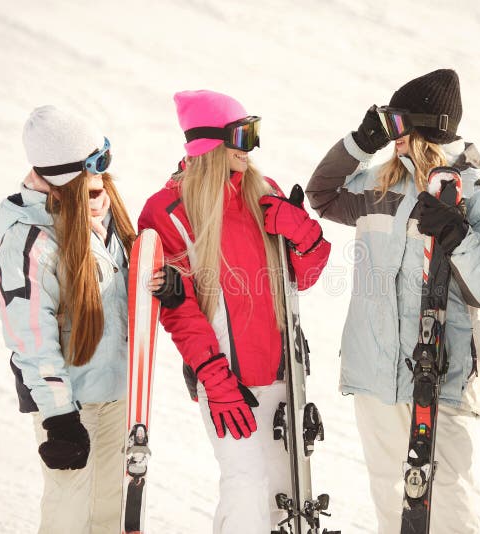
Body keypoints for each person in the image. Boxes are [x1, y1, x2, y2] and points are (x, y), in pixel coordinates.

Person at [306, 69, 480, 533]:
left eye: (396, 125)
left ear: (426, 129)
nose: (391, 137)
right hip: (378, 376)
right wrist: (359, 143)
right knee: (391, 505)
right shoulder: (382, 185)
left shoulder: (478, 191)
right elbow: (320, 195)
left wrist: (458, 236)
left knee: (454, 512)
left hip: (445, 378)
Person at [137, 89, 331, 533]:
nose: (252, 147)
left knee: (288, 492)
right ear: (209, 144)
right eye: (242, 135)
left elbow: (301, 279)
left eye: (254, 132)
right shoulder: (168, 211)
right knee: (245, 483)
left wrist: (306, 237)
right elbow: (179, 312)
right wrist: (216, 380)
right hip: (228, 379)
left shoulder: (264, 193)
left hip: (284, 376)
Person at [0, 106, 182, 534]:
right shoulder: (29, 244)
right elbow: (31, 338)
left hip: (118, 396)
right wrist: (59, 418)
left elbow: (127, 305)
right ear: (63, 186)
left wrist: (167, 289)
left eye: (105, 179)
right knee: (69, 511)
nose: (103, 193)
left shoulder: (106, 222)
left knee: (111, 509)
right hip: (71, 404)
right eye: (91, 188)